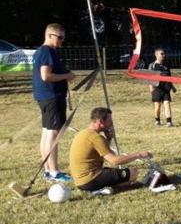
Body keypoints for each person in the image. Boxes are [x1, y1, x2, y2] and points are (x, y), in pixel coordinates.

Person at [69, 107, 152, 194]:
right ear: (101, 121)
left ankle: (101, 189)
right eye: (110, 121)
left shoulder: (83, 133)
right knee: (132, 173)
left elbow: (102, 153)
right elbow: (115, 161)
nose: (112, 124)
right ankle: (99, 190)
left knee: (117, 174)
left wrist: (108, 139)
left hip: (80, 182)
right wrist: (139, 155)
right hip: (90, 179)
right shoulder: (96, 138)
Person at [32, 23, 75, 183]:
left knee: (47, 132)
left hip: (44, 96)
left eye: (63, 38)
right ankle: (54, 171)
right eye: (60, 37)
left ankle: (48, 170)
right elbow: (46, 76)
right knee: (53, 134)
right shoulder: (47, 51)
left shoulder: (42, 51)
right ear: (50, 35)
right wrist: (67, 76)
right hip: (51, 96)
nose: (62, 41)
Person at [149, 47, 176, 127]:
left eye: (164, 54)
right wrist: (151, 88)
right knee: (157, 106)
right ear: (156, 55)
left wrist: (172, 87)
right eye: (162, 54)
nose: (164, 55)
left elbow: (169, 77)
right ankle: (157, 120)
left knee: (167, 104)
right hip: (157, 88)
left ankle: (169, 122)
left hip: (166, 88)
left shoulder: (166, 65)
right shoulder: (152, 65)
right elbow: (149, 77)